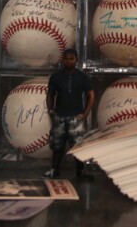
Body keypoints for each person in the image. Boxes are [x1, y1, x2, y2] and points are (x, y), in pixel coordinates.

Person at [44, 48, 95, 181]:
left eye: (71, 58)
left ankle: (80, 171)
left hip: (76, 117)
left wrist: (85, 113)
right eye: (66, 58)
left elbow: (91, 95)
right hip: (60, 116)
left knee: (78, 146)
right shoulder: (56, 76)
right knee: (57, 145)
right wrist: (51, 110)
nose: (68, 61)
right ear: (63, 60)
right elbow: (50, 94)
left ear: (76, 60)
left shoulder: (82, 77)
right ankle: (54, 170)